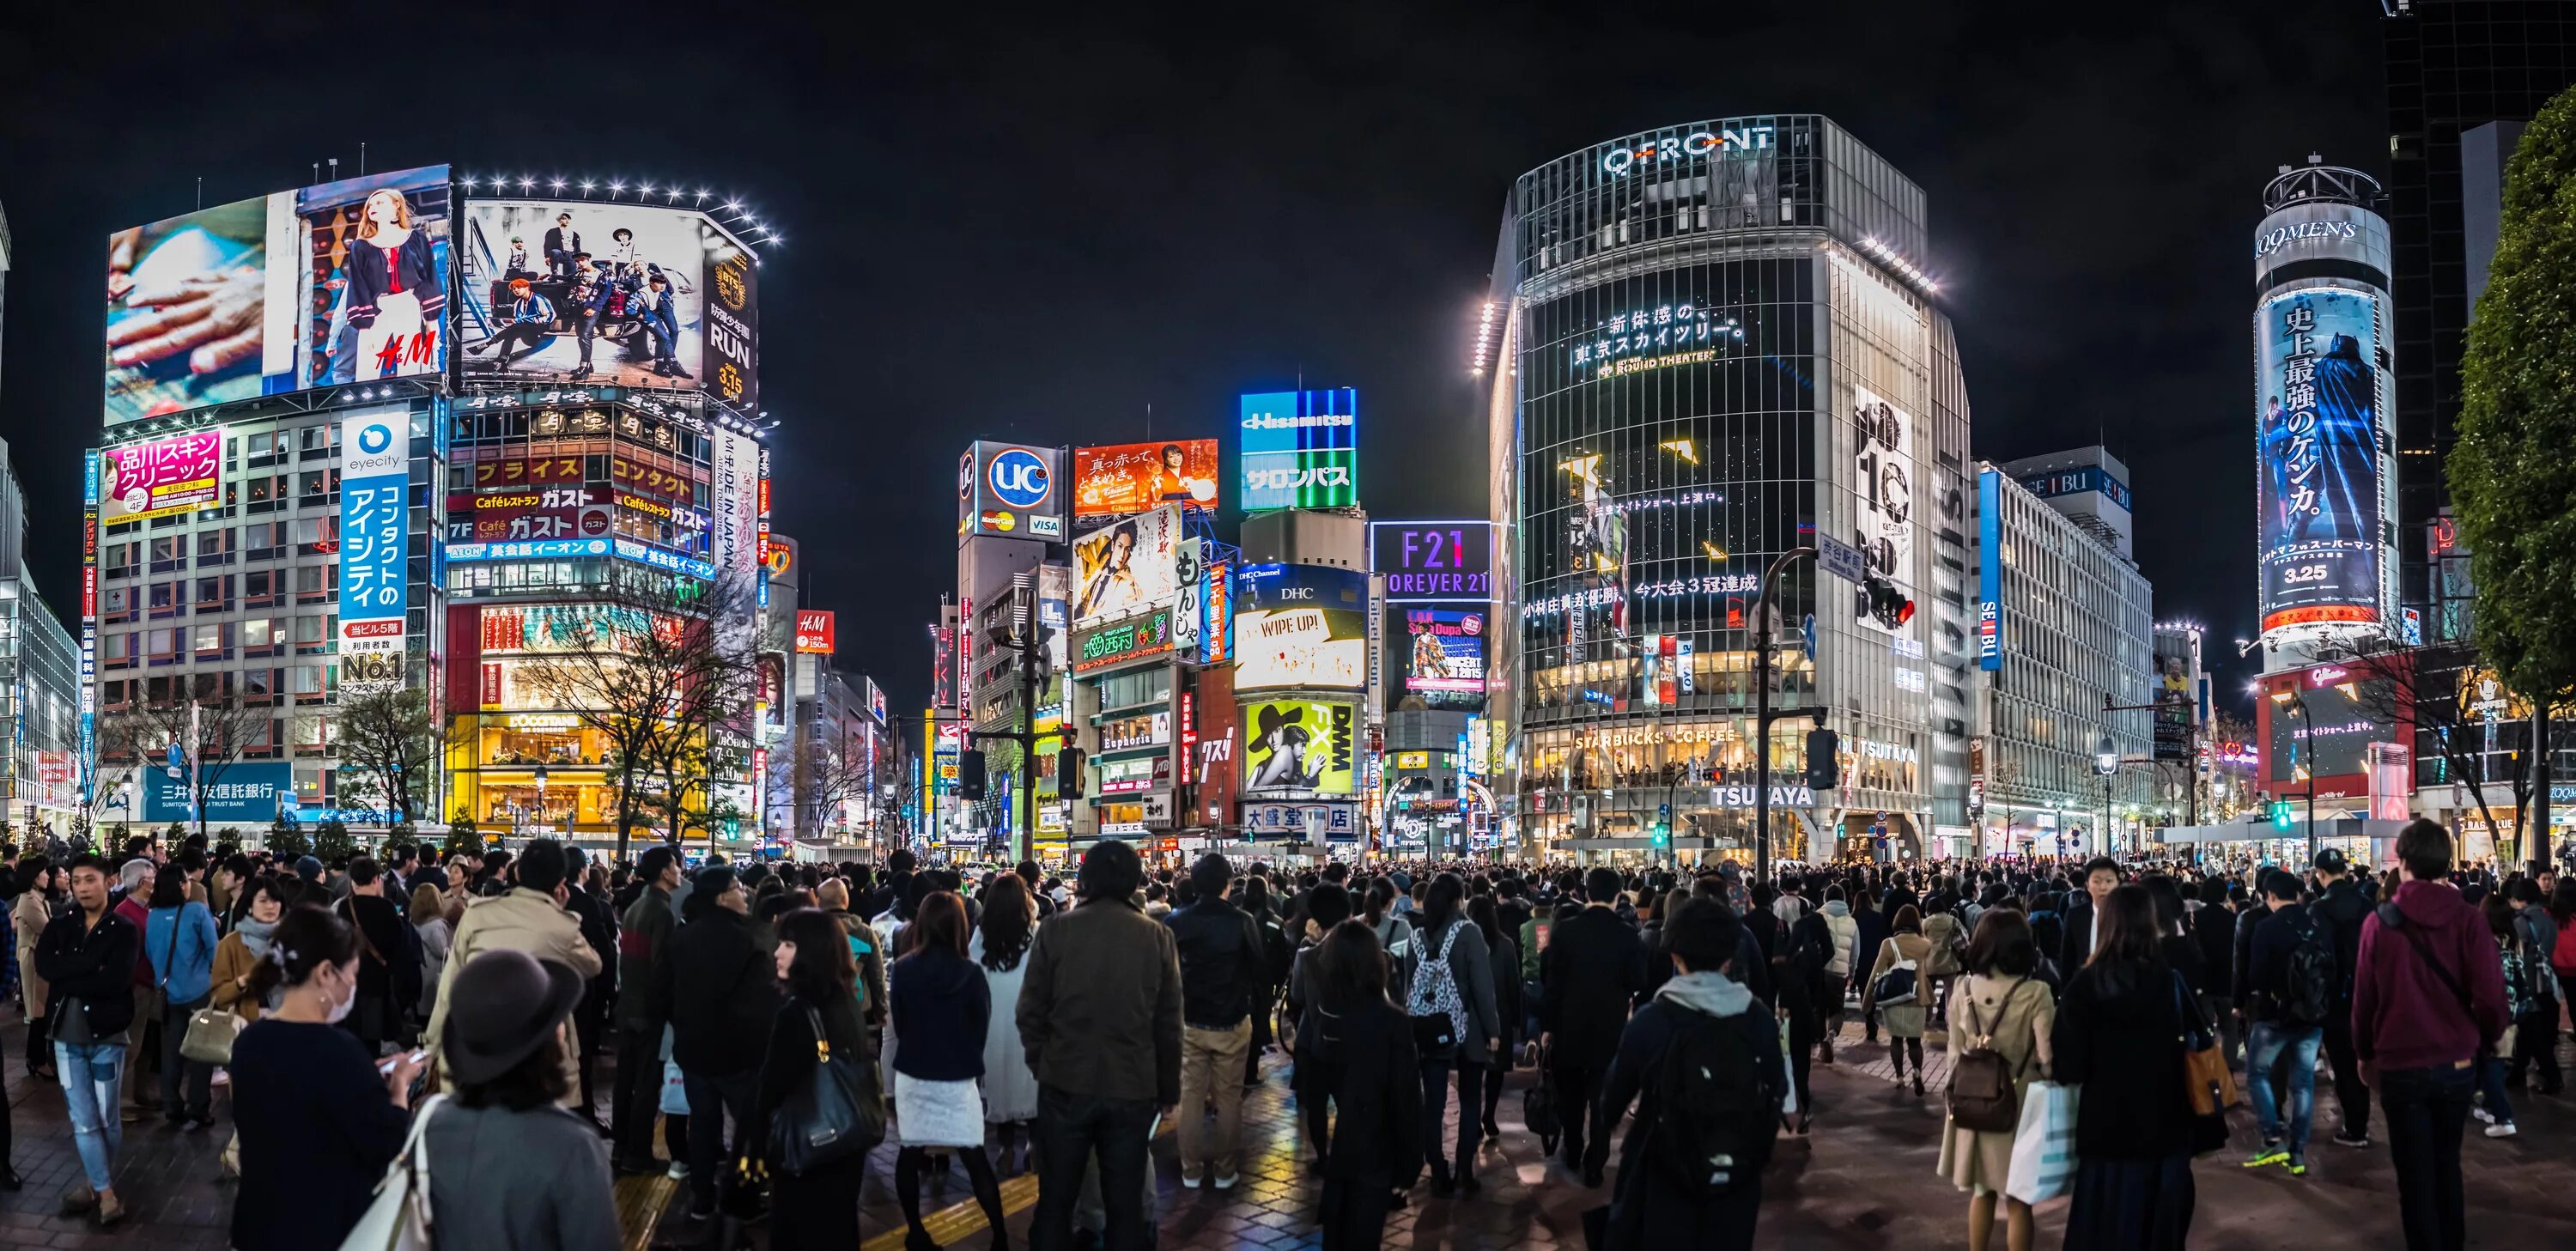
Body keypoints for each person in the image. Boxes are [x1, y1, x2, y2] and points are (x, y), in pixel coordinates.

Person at [228, 905, 427, 1250]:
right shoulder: (339, 1052)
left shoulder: (249, 1042)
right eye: (352, 972)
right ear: (325, 973)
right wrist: (398, 1087)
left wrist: (366, 1079)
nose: (353, 983)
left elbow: (298, 1105)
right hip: (322, 1226)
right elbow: (387, 1141)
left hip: (257, 1220)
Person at [1592, 896, 1783, 1250]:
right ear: (1729, 959)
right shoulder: (1757, 1018)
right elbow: (1777, 1089)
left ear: (1675, 955)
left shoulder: (1653, 1019)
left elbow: (1612, 1099)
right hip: (1737, 1172)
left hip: (1667, 1169)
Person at [1018, 840, 1182, 1251]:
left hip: (1064, 1080)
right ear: (1134, 881)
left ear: (1085, 879)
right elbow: (1168, 1023)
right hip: (1132, 1085)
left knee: (1056, 1198)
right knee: (1125, 1202)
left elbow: (1030, 1010)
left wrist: (1043, 1061)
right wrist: (1168, 1090)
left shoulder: (1056, 929)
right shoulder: (1156, 937)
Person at [2353, 820, 2508, 1251]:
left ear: (2401, 862)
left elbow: (2364, 999)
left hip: (2400, 1063)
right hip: (2457, 1059)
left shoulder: (2379, 922)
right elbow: (2492, 996)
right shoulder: (2467, 919)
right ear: (2445, 861)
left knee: (2413, 1174)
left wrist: (2364, 1054)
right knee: (2447, 1163)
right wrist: (2489, 1038)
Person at [2051, 884, 2197, 1250]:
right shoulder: (2170, 982)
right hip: (2166, 1123)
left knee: (2106, 1228)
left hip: (2106, 1128)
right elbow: (2194, 1043)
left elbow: (2067, 1067)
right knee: (2159, 1230)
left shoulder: (2083, 986)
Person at [428, 839, 602, 1106]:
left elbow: (450, 986)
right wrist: (557, 912)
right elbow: (593, 966)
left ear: (518, 873)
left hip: (479, 1040)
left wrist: (434, 1047)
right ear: (561, 883)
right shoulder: (561, 926)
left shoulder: (478, 914)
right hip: (542, 1048)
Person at [887, 891, 1010, 1250]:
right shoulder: (970, 973)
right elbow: (980, 1027)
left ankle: (916, 1231)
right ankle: (1000, 1236)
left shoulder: (905, 969)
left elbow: (901, 1021)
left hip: (914, 1072)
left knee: (910, 1152)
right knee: (974, 1157)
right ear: (961, 925)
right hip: (957, 1077)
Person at [756, 908, 879, 1251]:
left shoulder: (798, 1013)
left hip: (808, 1146)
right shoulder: (845, 1000)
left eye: (789, 944)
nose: (777, 952)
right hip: (844, 1141)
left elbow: (771, 1090)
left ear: (812, 951)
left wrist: (755, 1151)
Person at [1297, 920, 1423, 1250]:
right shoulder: (1390, 1020)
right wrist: (1411, 1161)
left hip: (1343, 1150)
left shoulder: (1329, 1016)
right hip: (1377, 1149)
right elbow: (1407, 1097)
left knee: (1338, 1234)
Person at [1937, 909, 2053, 1251]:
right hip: (2020, 1104)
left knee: (1982, 1191)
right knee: (2019, 1200)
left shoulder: (1963, 987)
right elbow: (2047, 1056)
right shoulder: (2036, 992)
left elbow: (1954, 1052)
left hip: (1973, 1097)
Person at [34, 854, 140, 1224]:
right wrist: (90, 966)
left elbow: (116, 980)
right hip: (66, 1036)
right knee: (83, 1120)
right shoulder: (60, 925)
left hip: (108, 1036)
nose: (81, 887)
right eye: (76, 880)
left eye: (90, 879)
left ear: (108, 881)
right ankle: (106, 1192)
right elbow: (46, 968)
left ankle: (95, 1185)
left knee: (107, 1118)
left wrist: (71, 974)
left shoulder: (123, 929)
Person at [1162, 853, 1267, 1190]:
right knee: (1229, 1099)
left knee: (1190, 1098)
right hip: (1232, 1021)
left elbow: (1166, 974)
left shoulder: (1176, 921)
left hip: (1190, 1021)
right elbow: (1257, 968)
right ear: (1227, 884)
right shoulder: (1242, 921)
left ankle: (1190, 1171)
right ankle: (1224, 1171)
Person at [1541, 866, 1648, 1185]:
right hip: (1609, 1028)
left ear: (1586, 894)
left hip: (1567, 1027)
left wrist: (1547, 1029)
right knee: (1602, 1101)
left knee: (1570, 1098)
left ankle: (1572, 1148)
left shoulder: (1566, 931)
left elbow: (1552, 985)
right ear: (1618, 896)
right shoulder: (1628, 934)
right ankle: (1596, 1163)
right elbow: (1638, 981)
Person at [1406, 871, 1500, 1196]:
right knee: (1471, 1100)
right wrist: (1493, 1030)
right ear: (1460, 900)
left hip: (1430, 1028)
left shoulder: (1417, 936)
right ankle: (1464, 1169)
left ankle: (1437, 1170)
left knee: (1433, 1103)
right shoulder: (1469, 932)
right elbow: (1483, 987)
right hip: (1468, 1027)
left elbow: (1409, 987)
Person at [2243, 869, 2331, 1174]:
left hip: (2274, 1015)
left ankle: (2272, 1135)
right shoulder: (2316, 925)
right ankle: (2297, 1151)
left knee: (2257, 1074)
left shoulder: (2267, 927)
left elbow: (2256, 975)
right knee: (2303, 1084)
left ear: (2270, 896)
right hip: (2311, 1015)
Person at [613, 844, 682, 1175]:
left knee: (624, 1082)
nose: (680, 870)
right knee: (646, 1084)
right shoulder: (662, 913)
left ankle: (620, 1147)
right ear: (666, 872)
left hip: (627, 1004)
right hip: (648, 1011)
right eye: (677, 865)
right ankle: (638, 1153)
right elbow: (662, 970)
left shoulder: (636, 908)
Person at [973, 873, 1041, 1173]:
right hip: (1029, 1018)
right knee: (1031, 1081)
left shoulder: (981, 937)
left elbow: (974, 974)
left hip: (993, 1018)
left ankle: (1005, 1146)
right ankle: (1034, 1145)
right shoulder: (1037, 933)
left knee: (999, 1082)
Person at [142, 867, 219, 1127]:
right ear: (180, 885)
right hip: (199, 993)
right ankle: (198, 1107)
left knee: (171, 1052)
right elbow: (214, 951)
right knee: (201, 1052)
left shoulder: (152, 916)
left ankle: (172, 1105)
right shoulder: (196, 912)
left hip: (168, 995)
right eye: (186, 881)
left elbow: (151, 954)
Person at [342, 185, 444, 381]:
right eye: (370, 204)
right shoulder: (361, 246)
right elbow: (358, 285)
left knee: (411, 367)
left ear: (396, 205)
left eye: (379, 202)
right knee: (367, 370)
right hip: (376, 308)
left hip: (409, 303)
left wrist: (431, 321)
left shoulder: (416, 239)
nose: (372, 207)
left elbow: (428, 279)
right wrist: (364, 325)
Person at [334, 856, 412, 1054]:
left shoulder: (344, 907)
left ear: (353, 881)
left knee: (352, 1039)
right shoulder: (386, 907)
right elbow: (398, 947)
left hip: (350, 983)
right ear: (377, 879)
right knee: (372, 1043)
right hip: (378, 983)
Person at [2471, 894, 2530, 1139]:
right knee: (2488, 1062)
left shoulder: (2486, 946)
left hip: (2492, 1014)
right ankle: (2488, 1107)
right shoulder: (2512, 940)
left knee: (2492, 1065)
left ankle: (2503, 1117)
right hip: (2512, 1013)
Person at [1860, 904, 1934, 1095]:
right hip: (1918, 998)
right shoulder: (1926, 944)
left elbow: (1876, 973)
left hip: (1894, 998)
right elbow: (1928, 974)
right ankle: (1917, 1073)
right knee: (1915, 1041)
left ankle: (1900, 1077)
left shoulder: (1889, 944)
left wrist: (1867, 1000)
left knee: (1896, 1039)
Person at [1467, 892, 1522, 1144]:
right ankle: (1488, 1115)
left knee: (1472, 1071)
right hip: (1500, 1016)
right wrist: (1516, 1019)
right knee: (1496, 1071)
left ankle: (1473, 1119)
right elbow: (1514, 985)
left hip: (1471, 1018)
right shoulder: (1506, 945)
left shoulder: (1463, 943)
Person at [2503, 877, 2561, 1094]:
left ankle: (2553, 1077)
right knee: (2528, 1032)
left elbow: (2517, 955)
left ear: (2519, 900)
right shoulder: (2548, 919)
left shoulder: (2521, 922)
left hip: (2529, 983)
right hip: (2547, 980)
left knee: (2532, 1032)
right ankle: (2518, 1073)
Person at [13, 858, 56, 1080]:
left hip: (39, 958)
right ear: (34, 876)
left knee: (41, 1011)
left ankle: (37, 1058)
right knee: (37, 1011)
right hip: (33, 959)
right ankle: (37, 1060)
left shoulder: (38, 899)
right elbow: (47, 929)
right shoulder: (29, 900)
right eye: (44, 872)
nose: (48, 876)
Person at [1816, 884, 1860, 1063]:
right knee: (1837, 1009)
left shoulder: (1817, 917)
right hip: (1839, 972)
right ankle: (1831, 1036)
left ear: (1825, 898)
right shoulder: (1851, 922)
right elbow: (1855, 952)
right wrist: (1851, 972)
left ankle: (1820, 1044)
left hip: (1819, 970)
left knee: (1818, 1009)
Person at [2059, 857, 2123, 973]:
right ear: (2087, 886)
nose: (2103, 887)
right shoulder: (2075, 916)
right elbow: (2067, 962)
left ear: (2118, 883)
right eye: (2097, 881)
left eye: (2109, 881)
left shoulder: (2128, 916)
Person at [473, 278, 556, 363]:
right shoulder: (518, 303)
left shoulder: (538, 299)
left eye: (519, 287)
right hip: (527, 331)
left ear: (527, 288)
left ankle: (487, 344)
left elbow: (551, 315)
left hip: (540, 327)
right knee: (511, 334)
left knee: (515, 328)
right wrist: (518, 321)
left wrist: (536, 320)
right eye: (514, 288)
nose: (516, 290)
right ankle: (502, 358)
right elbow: (519, 319)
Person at [410, 881, 453, 1024]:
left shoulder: (414, 923)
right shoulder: (435, 926)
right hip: (433, 980)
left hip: (418, 975)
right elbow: (443, 952)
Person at [544, 211, 581, 278]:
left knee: (570, 277)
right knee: (555, 252)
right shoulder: (552, 232)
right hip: (561, 254)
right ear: (559, 221)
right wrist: (547, 257)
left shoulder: (575, 234)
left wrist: (580, 260)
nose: (566, 220)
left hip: (571, 255)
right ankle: (554, 272)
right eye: (564, 218)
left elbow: (578, 248)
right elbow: (547, 244)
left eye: (568, 219)